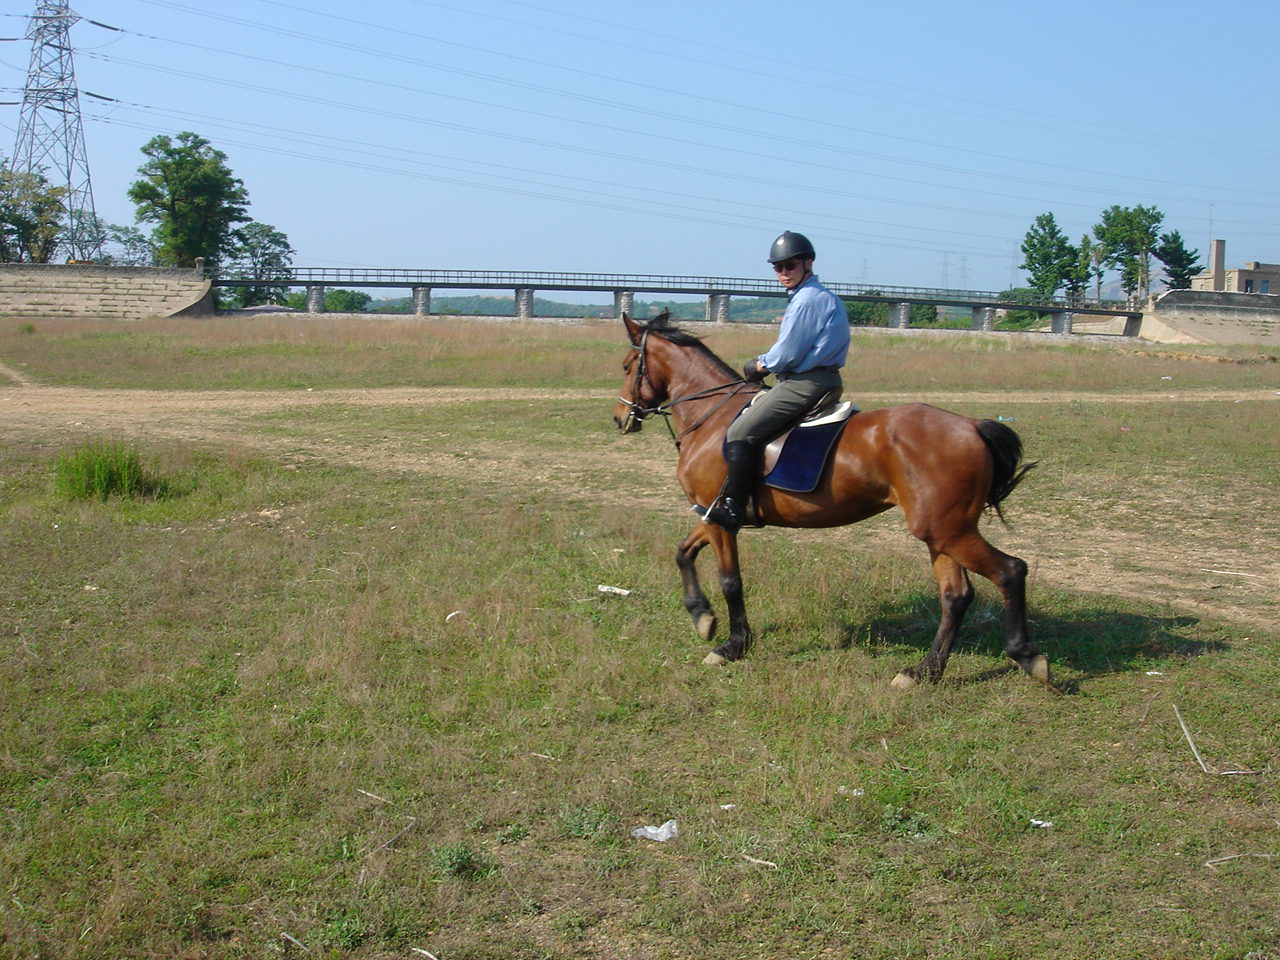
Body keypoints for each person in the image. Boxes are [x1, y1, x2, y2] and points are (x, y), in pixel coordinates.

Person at [702, 230, 851, 532]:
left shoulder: (808, 300)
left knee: (740, 431)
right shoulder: (815, 296)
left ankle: (734, 509)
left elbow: (788, 353)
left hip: (804, 383)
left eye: (790, 266)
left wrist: (760, 365)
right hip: (815, 379)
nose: (783, 272)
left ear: (807, 263)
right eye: (778, 267)